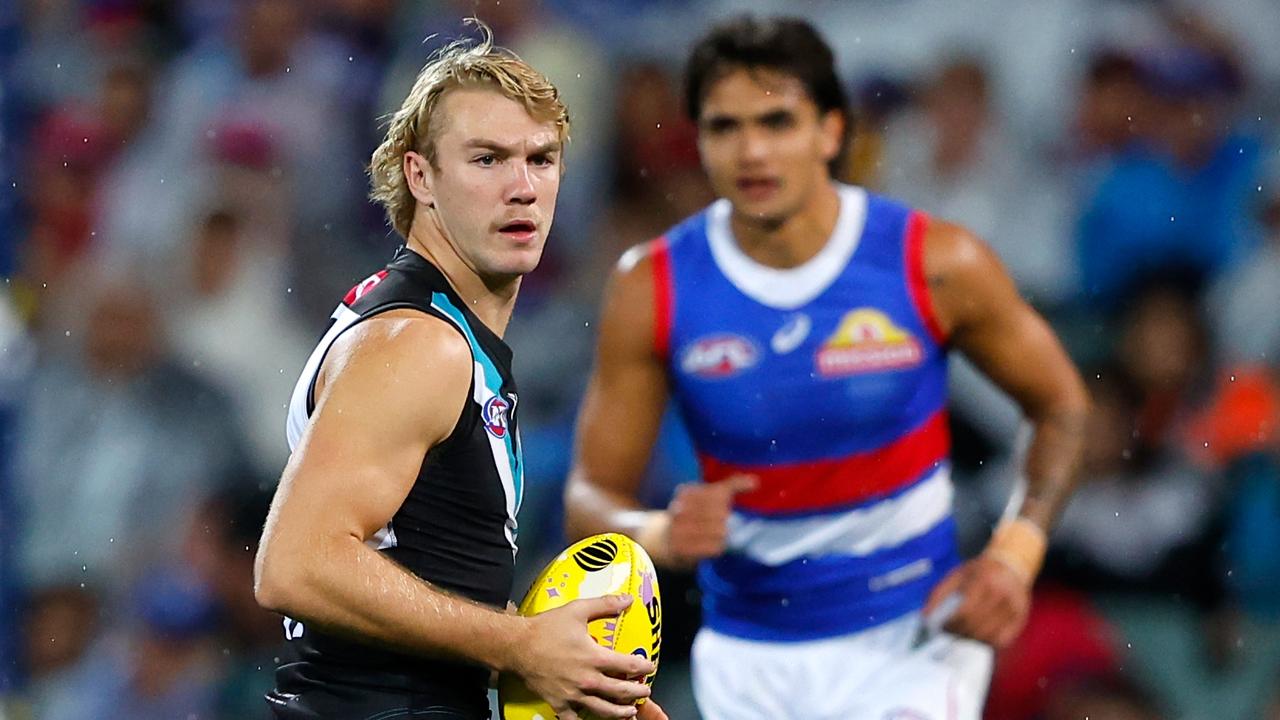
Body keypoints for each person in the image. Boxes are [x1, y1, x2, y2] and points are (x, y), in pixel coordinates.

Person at [564, 16, 1089, 720]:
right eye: (725, 127)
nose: (752, 150)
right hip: (746, 657)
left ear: (832, 132)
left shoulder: (934, 262)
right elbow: (590, 500)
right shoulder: (650, 287)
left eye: (777, 121)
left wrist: (1015, 555)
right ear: (700, 142)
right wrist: (658, 534)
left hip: (914, 646)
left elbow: (1061, 407)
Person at [254, 25, 662, 720]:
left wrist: (566, 670)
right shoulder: (418, 344)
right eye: (488, 159)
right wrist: (517, 644)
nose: (522, 187)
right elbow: (296, 563)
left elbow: (418, 571)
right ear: (421, 176)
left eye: (542, 159)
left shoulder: (440, 332)